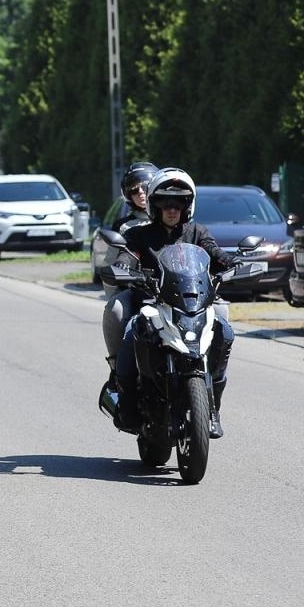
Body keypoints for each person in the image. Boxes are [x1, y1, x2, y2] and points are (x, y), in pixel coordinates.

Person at [114, 168, 236, 439]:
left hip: (193, 304)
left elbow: (215, 253)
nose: (172, 209)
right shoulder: (139, 235)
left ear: (187, 205)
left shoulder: (198, 232)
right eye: (165, 203)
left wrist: (232, 262)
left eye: (178, 203)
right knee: (132, 331)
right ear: (154, 206)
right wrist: (123, 265)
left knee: (225, 331)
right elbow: (128, 255)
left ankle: (213, 409)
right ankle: (127, 403)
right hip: (153, 305)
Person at [101, 161, 159, 384]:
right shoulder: (124, 227)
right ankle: (117, 368)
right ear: (128, 195)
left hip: (174, 289)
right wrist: (118, 288)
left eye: (146, 187)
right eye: (135, 190)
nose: (141, 193)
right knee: (116, 308)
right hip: (139, 290)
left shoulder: (177, 219)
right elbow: (112, 265)